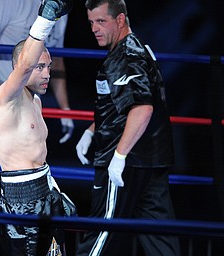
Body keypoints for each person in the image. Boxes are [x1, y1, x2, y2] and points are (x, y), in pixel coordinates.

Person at [75, 0, 181, 255]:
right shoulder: (137, 49)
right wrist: (92, 130)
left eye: (101, 21)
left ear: (120, 20)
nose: (94, 29)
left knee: (100, 234)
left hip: (127, 160)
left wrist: (119, 156)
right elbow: (127, 104)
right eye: (91, 22)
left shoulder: (127, 56)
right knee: (160, 241)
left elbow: (143, 108)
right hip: (150, 160)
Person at [0, 1, 76, 255]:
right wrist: (46, 19)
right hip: (20, 199)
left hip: (44, 189)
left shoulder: (35, 101)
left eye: (48, 67)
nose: (47, 74)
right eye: (40, 67)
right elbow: (25, 65)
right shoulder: (7, 99)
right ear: (20, 68)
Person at [0, 0, 74, 145]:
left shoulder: (60, 8)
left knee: (24, 161)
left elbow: (55, 60)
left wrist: (65, 109)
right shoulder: (11, 2)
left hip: (30, 103)